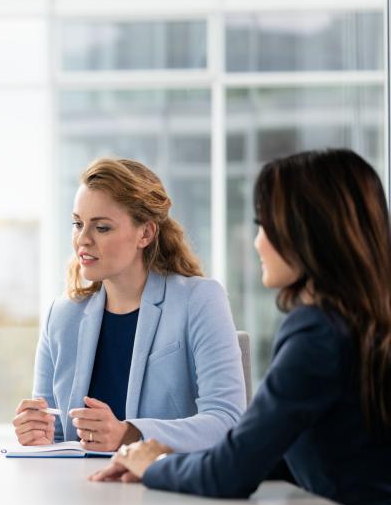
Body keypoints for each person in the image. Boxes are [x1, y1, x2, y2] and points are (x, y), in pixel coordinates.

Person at [90, 149, 391, 505]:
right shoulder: (360, 323)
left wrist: (155, 466)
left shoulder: (317, 334)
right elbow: (271, 452)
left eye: (264, 226)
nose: (257, 242)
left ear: (308, 233)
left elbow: (230, 471)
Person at [13, 158, 246, 453]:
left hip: (164, 491)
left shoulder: (199, 300)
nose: (82, 239)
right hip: (80, 492)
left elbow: (227, 421)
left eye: (102, 227)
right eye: (77, 224)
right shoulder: (61, 316)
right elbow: (58, 435)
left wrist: (130, 433)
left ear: (145, 234)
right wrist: (38, 435)